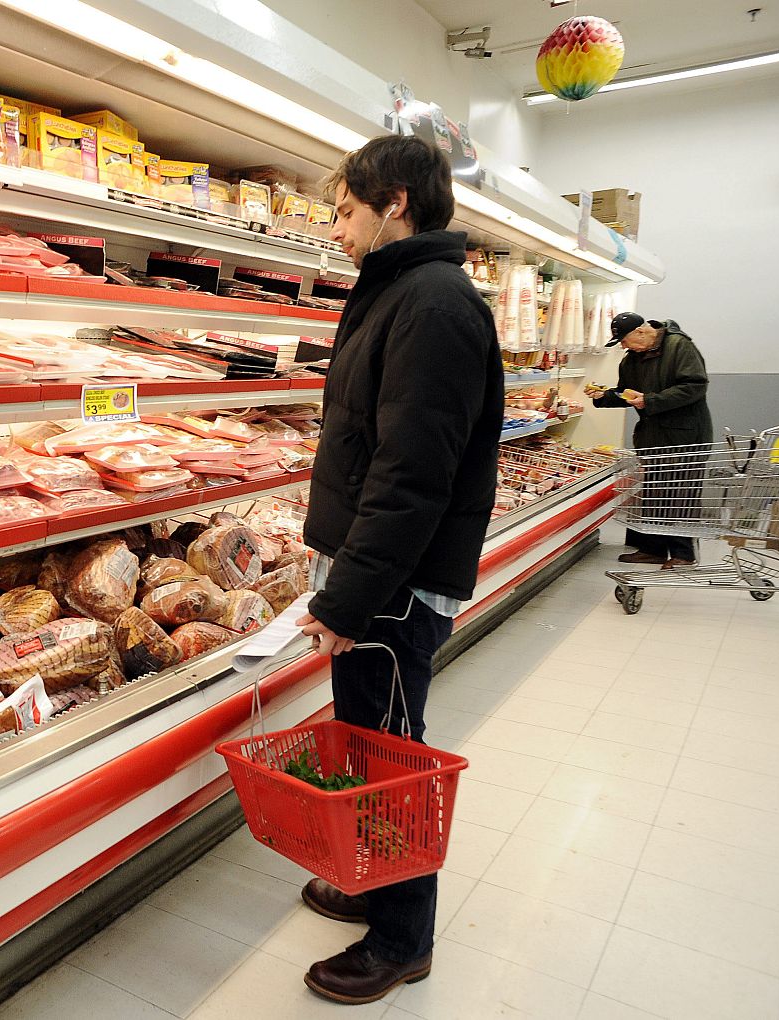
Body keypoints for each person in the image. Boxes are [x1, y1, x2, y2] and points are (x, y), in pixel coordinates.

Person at [295, 135, 502, 1005]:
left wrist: (348, 598)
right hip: (378, 576)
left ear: (396, 204)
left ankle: (402, 939)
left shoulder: (433, 303)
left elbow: (411, 478)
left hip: (394, 587)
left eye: (346, 211)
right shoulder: (402, 291)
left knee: (391, 757)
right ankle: (377, 887)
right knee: (369, 742)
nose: (336, 229)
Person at [589, 313, 714, 567]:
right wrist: (603, 396)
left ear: (641, 331)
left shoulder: (679, 346)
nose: (623, 346)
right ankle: (652, 549)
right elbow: (626, 393)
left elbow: (695, 386)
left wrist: (650, 400)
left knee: (680, 495)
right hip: (653, 436)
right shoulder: (632, 359)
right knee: (654, 492)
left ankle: (683, 554)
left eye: (624, 340)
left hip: (685, 435)